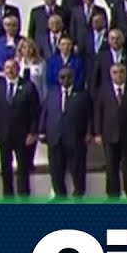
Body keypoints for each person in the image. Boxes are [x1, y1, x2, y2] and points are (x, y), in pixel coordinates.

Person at [39, 66, 90, 198]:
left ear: (73, 78)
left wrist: (89, 132)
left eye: (68, 76)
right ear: (58, 78)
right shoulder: (52, 93)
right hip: (55, 137)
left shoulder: (82, 94)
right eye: (62, 77)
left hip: (75, 138)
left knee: (77, 170)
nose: (65, 79)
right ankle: (59, 195)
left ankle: (78, 196)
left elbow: (89, 116)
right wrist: (41, 131)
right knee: (56, 170)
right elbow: (45, 113)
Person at [93, 62, 127, 199]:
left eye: (121, 72)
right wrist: (97, 132)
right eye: (115, 72)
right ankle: (113, 196)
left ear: (125, 74)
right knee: (111, 167)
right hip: (109, 135)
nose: (118, 75)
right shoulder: (103, 91)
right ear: (110, 74)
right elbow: (98, 112)